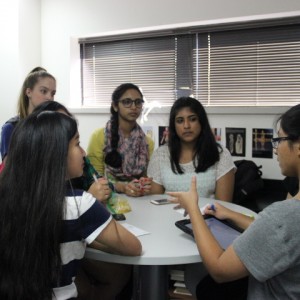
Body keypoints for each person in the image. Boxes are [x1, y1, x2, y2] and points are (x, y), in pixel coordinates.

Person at [0, 111, 142, 300]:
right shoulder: (79, 203)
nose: (83, 153)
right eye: (77, 144)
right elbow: (134, 247)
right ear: (56, 153)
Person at [168, 104, 300, 299]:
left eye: (279, 139)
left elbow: (220, 269)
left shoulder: (285, 216)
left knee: (205, 283)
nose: (275, 149)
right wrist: (230, 214)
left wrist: (193, 209)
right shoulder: (284, 220)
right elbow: (278, 234)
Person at [147, 96, 235, 201]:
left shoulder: (221, 155)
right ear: (173, 125)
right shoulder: (160, 155)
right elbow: (155, 201)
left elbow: (223, 206)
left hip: (206, 216)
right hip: (167, 215)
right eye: (180, 121)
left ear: (201, 122)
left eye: (192, 119)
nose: (186, 126)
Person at [87, 83, 154, 197]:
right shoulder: (99, 136)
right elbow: (93, 179)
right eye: (127, 102)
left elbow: (147, 179)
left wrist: (143, 185)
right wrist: (123, 187)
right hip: (108, 199)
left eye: (138, 102)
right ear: (115, 106)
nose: (134, 107)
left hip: (139, 199)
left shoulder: (147, 142)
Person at [0, 67, 56, 164]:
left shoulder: (54, 126)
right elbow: (9, 172)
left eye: (53, 93)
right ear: (28, 92)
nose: (49, 97)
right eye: (43, 91)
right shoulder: (10, 128)